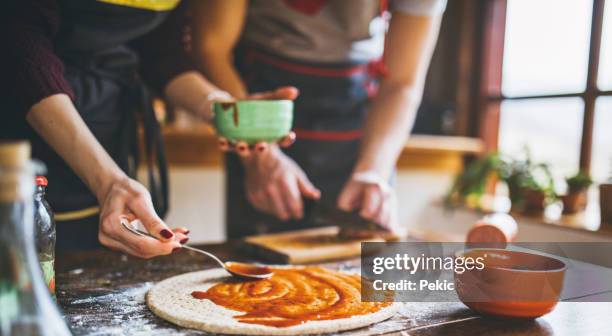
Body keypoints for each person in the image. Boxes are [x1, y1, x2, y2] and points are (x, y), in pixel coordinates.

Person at [0, 0, 288, 257]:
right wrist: (108, 180)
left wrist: (223, 109)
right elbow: (20, 46)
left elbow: (161, 51)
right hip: (21, 138)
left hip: (107, 129)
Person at [193, 0, 446, 239]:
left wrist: (374, 171)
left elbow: (402, 83)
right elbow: (212, 48)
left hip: (360, 125)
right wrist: (257, 149)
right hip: (256, 108)